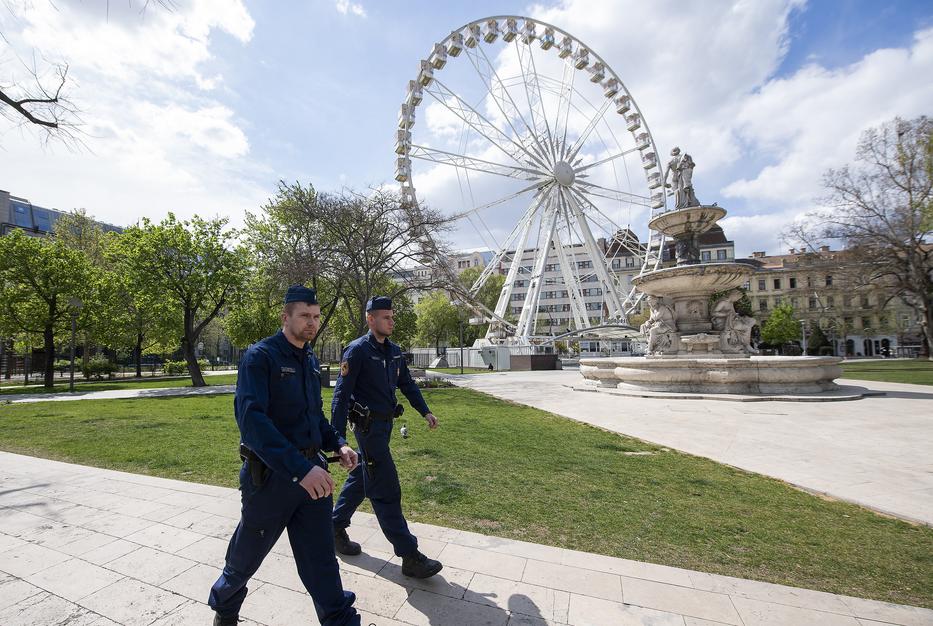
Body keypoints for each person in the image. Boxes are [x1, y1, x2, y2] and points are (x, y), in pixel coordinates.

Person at [208, 285, 361, 626]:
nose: (312, 323)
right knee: (245, 558)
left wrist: (338, 443)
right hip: (271, 480)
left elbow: (315, 417)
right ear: (286, 317)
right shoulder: (260, 357)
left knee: (321, 559)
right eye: (305, 316)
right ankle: (226, 610)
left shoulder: (309, 359)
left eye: (317, 316)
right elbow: (253, 423)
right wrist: (300, 469)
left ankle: (341, 620)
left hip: (312, 477)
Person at [330, 295, 443, 579]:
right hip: (366, 429)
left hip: (385, 427)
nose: (392, 321)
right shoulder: (356, 352)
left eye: (392, 317)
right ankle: (409, 555)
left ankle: (334, 526)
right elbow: (340, 397)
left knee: (361, 477)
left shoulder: (393, 351)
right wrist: (337, 440)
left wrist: (424, 411)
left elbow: (407, 384)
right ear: (371, 319)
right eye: (386, 317)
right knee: (386, 488)